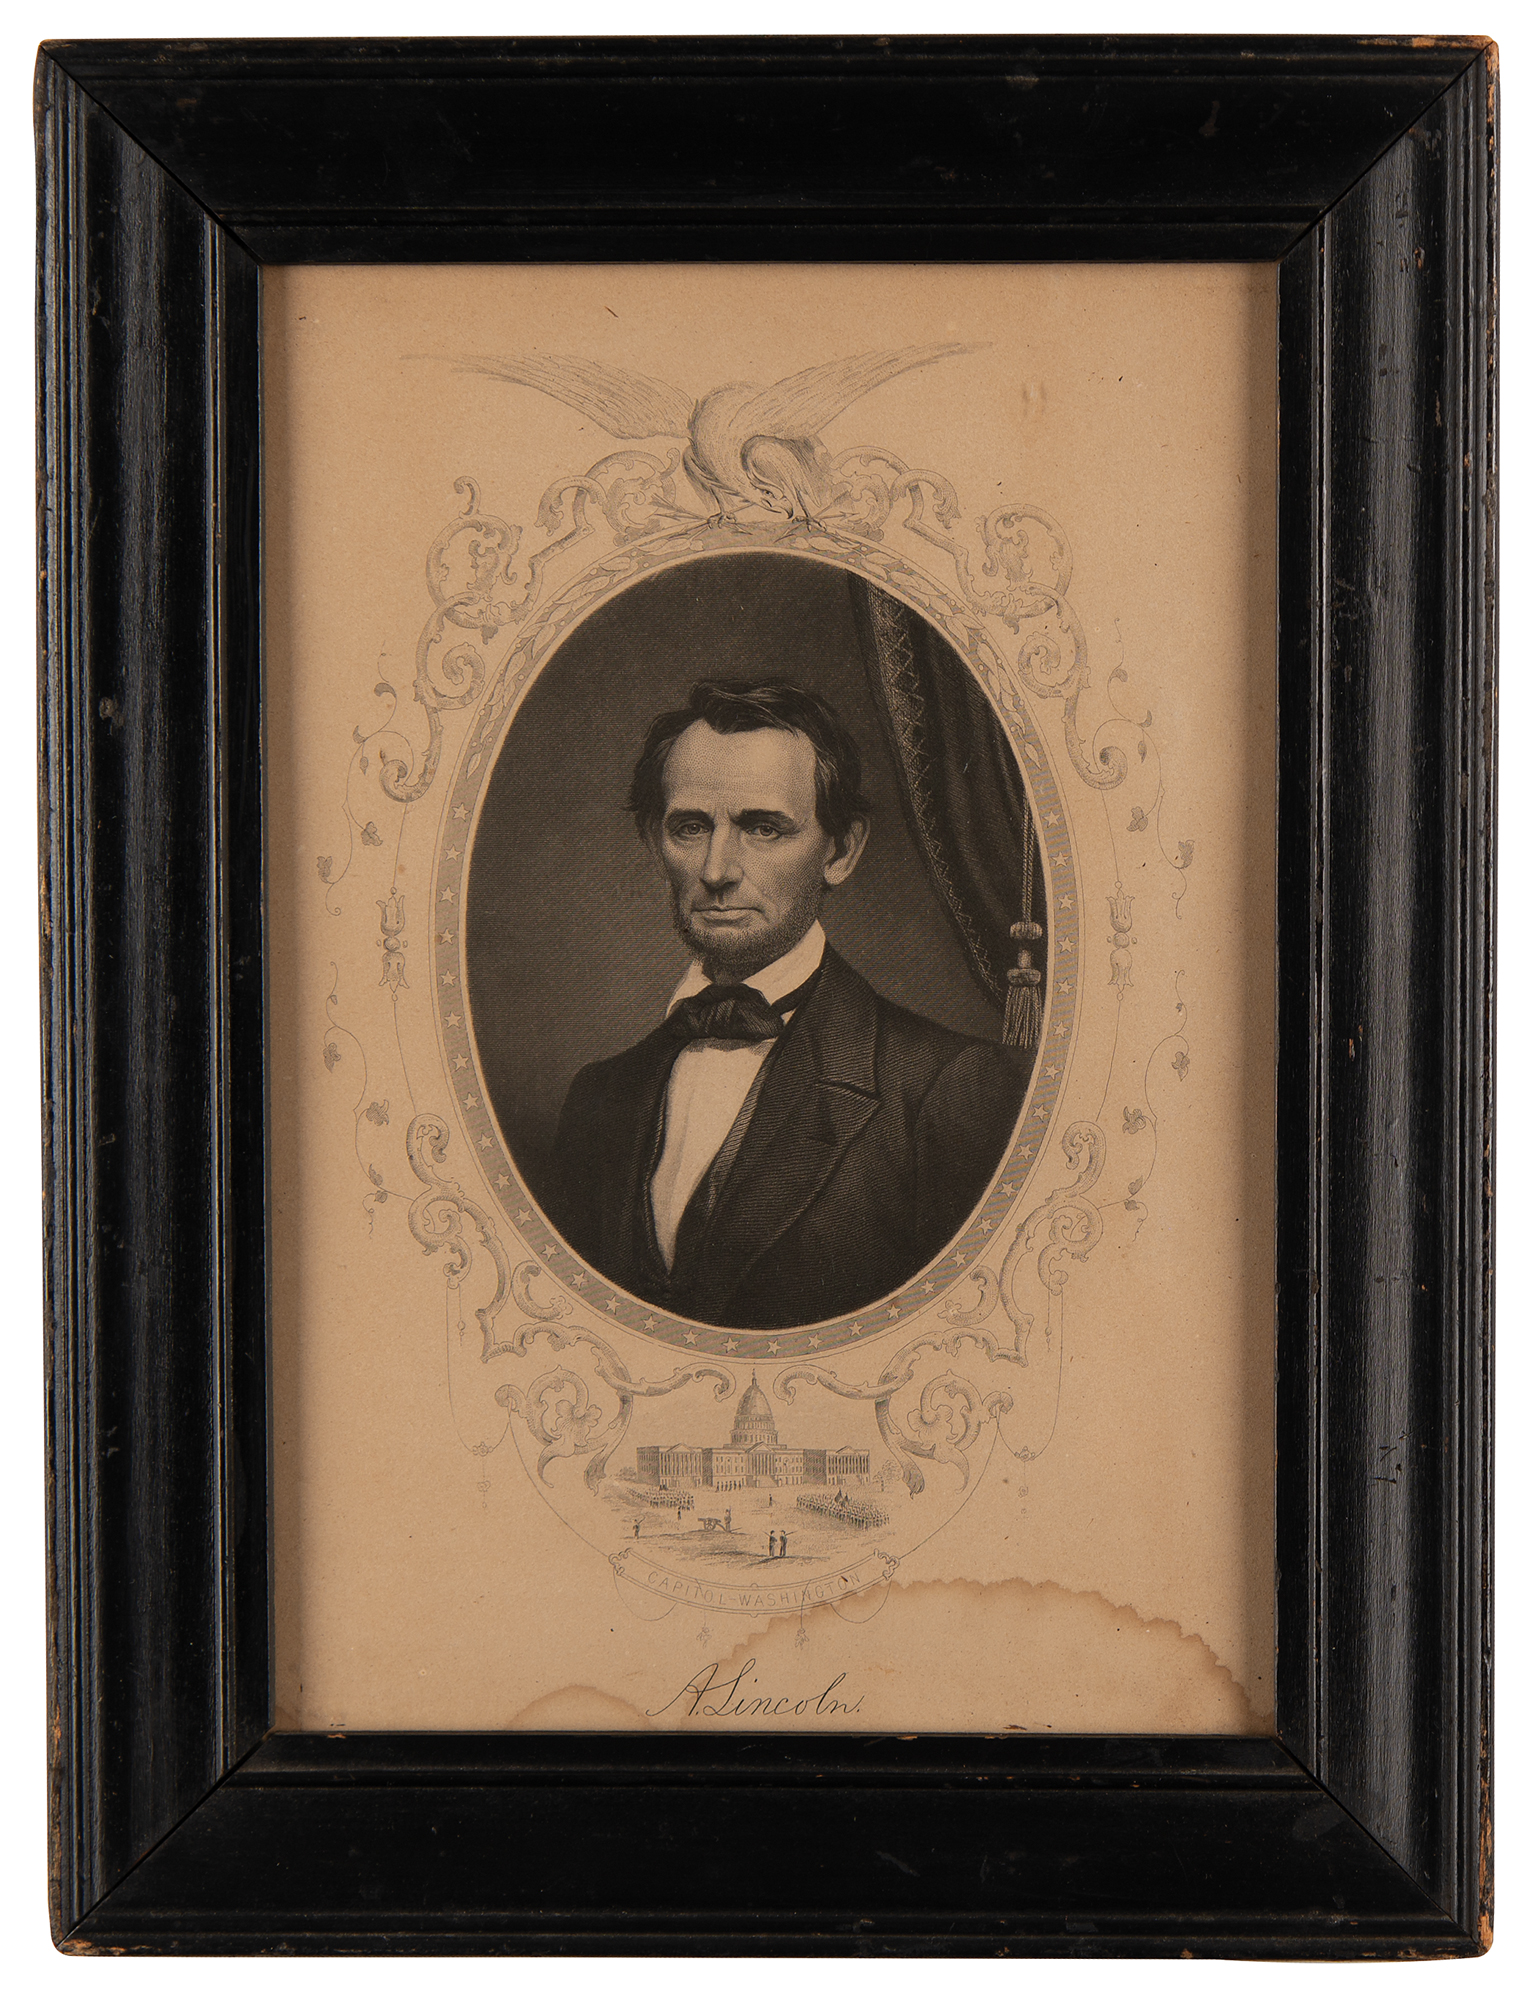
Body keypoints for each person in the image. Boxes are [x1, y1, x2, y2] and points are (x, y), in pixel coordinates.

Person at [543, 678, 1030, 1330]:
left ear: (841, 850)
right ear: (653, 844)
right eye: (690, 827)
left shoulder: (947, 1086)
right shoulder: (597, 1097)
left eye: (763, 828)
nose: (717, 870)